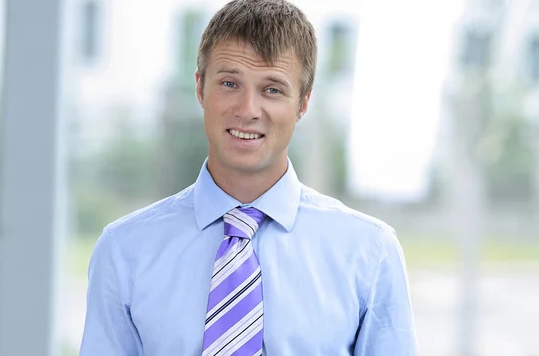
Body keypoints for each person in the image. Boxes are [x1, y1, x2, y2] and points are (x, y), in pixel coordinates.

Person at [79, 0, 418, 355]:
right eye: (229, 83)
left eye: (272, 89)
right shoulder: (124, 251)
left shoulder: (368, 252)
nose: (247, 110)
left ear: (303, 103)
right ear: (200, 88)